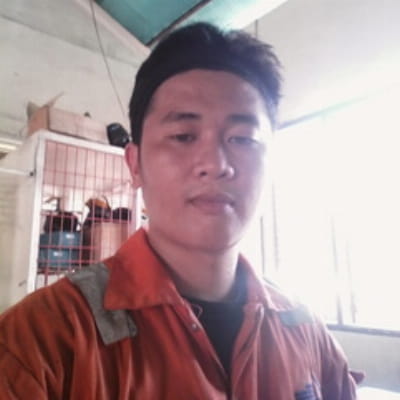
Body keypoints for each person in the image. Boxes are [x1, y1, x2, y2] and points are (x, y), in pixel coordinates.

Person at [0, 23, 358, 399]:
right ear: (135, 165)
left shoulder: (307, 332)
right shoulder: (40, 344)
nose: (215, 164)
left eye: (243, 139)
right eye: (183, 136)